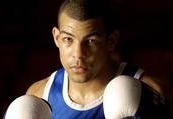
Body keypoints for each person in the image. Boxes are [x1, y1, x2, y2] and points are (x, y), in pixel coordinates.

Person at [26, 0, 172, 118]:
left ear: (111, 41)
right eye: (68, 39)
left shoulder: (152, 90)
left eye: (91, 41)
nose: (78, 54)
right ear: (56, 38)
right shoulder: (38, 97)